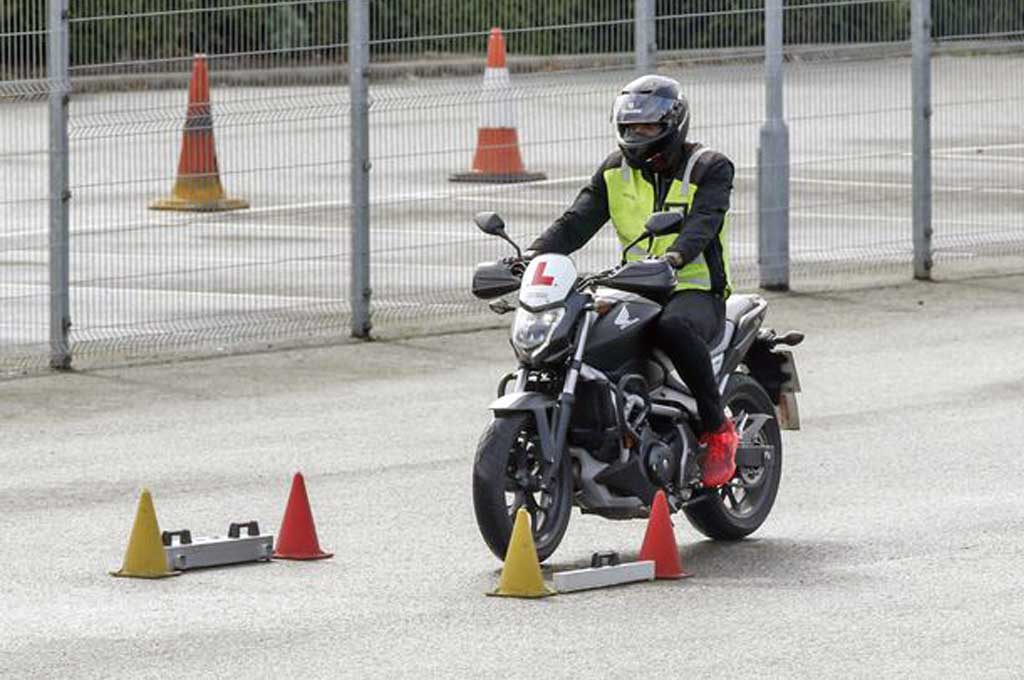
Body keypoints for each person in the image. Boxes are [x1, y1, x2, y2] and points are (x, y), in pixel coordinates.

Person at [523, 74, 738, 488]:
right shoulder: (614, 171)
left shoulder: (710, 167)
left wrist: (675, 257)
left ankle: (717, 429)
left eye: (648, 127)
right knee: (581, 331)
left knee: (673, 326)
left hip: (693, 290)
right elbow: (576, 222)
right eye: (630, 127)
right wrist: (533, 256)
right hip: (633, 287)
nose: (638, 134)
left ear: (673, 125)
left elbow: (704, 224)